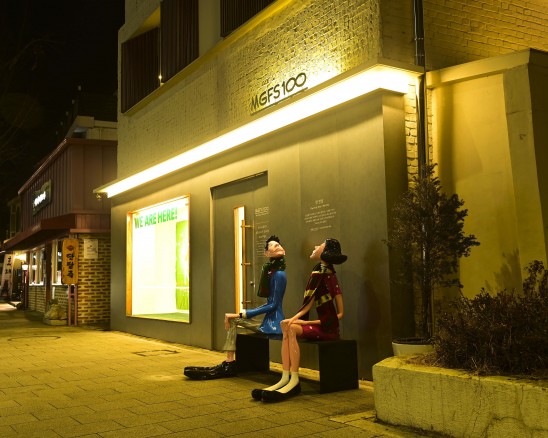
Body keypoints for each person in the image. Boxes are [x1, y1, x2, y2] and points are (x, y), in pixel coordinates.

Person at [252, 238, 347, 402]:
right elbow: (308, 305)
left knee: (291, 328)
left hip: (328, 329)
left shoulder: (330, 277)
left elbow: (339, 314)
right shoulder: (316, 274)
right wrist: (293, 319)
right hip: (321, 325)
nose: (315, 246)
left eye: (320, 245)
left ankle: (294, 379)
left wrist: (303, 322)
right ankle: (285, 376)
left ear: (325, 253)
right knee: (286, 326)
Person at [184, 235, 287, 380]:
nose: (277, 246)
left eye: (278, 244)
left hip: (274, 324)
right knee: (233, 320)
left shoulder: (279, 275)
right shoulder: (272, 272)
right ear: (266, 253)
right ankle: (229, 361)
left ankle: (229, 362)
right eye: (273, 245)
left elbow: (273, 305)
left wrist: (241, 314)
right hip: (269, 322)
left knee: (233, 320)